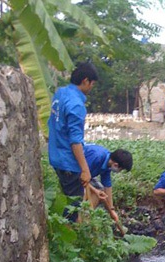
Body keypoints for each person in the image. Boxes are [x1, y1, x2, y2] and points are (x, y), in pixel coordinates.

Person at [48, 62, 99, 220]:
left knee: (70, 201)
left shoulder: (60, 93)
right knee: (72, 207)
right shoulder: (76, 105)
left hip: (55, 156)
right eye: (92, 84)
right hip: (68, 161)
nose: (91, 87)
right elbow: (75, 141)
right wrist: (85, 170)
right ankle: (68, 240)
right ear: (85, 81)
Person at [83, 144, 133, 223]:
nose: (119, 172)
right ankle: (80, 219)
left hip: (87, 176)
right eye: (121, 169)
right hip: (71, 172)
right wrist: (94, 190)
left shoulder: (108, 163)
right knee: (85, 193)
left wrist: (111, 210)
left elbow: (107, 186)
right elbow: (80, 177)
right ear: (116, 165)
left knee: (100, 190)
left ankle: (86, 216)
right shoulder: (97, 157)